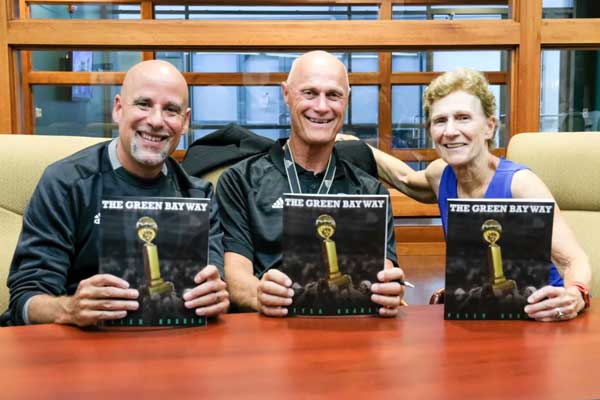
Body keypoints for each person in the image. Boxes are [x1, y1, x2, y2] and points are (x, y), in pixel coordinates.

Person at [341, 68, 591, 322]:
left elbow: (573, 260)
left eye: (463, 118)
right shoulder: (441, 176)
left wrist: (576, 294)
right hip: (486, 317)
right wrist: (354, 144)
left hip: (542, 317)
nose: (450, 131)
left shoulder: (521, 185)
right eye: (440, 121)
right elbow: (404, 179)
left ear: (489, 127)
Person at [2, 60, 229, 327]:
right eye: (143, 104)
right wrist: (68, 308)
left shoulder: (199, 197)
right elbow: (24, 299)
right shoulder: (65, 183)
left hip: (170, 346)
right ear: (118, 109)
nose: (156, 121)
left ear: (185, 121)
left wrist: (215, 295)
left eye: (171, 110)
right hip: (81, 343)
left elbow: (214, 286)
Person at [216, 50, 405, 317]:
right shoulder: (239, 181)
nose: (321, 107)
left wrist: (388, 290)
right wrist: (260, 294)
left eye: (334, 95)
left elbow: (383, 270)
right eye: (309, 93)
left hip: (347, 331)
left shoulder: (370, 190)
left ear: (347, 101)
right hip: (269, 331)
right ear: (286, 94)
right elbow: (235, 275)